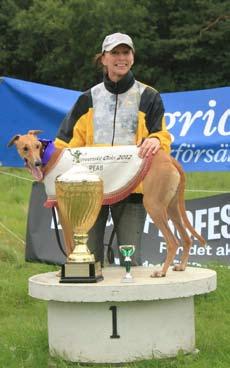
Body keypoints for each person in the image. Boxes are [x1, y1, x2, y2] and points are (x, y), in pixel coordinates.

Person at [54, 32, 171, 266]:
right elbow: (64, 144)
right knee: (88, 261)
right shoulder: (87, 99)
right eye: (114, 53)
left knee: (131, 261)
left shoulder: (149, 96)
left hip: (133, 189)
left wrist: (157, 140)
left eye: (125, 52)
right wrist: (43, 165)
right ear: (103, 59)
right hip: (90, 192)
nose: (121, 58)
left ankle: (132, 301)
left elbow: (161, 135)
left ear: (133, 57)